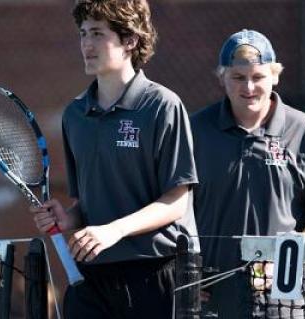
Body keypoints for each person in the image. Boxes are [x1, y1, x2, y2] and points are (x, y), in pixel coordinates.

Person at [31, 1, 199, 318]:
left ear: (130, 40)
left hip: (154, 272)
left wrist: (113, 230)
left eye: (97, 33)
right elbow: (89, 203)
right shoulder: (75, 115)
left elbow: (177, 202)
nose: (86, 44)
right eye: (83, 34)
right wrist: (68, 219)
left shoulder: (162, 106)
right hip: (92, 276)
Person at [190, 29, 305, 318]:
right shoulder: (195, 131)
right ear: (222, 78)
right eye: (238, 77)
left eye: (258, 77)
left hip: (284, 303)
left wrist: (288, 256)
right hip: (211, 303)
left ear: (275, 76)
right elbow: (173, 208)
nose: (248, 86)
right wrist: (182, 271)